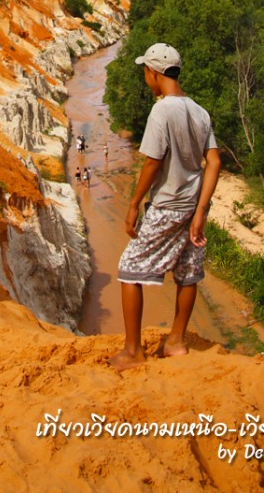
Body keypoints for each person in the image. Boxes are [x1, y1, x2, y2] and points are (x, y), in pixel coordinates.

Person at [110, 43, 221, 371]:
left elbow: (152, 163)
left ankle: (132, 351)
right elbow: (213, 162)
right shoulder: (199, 111)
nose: (146, 77)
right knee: (188, 273)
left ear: (154, 73)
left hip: (167, 204)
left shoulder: (161, 110)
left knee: (130, 269)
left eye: (146, 71)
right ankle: (175, 341)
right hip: (194, 205)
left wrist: (133, 204)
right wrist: (201, 210)